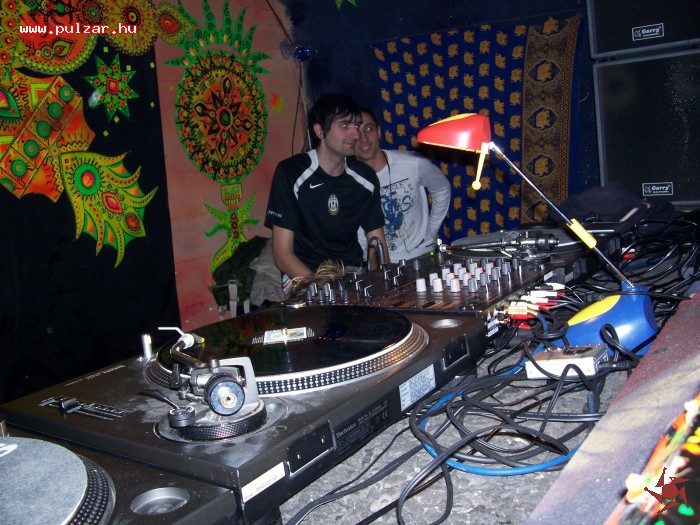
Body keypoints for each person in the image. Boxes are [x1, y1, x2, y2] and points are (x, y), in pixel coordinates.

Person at [264, 94, 389, 280]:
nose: (355, 135)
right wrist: (324, 288)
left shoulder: (366, 177)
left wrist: (380, 281)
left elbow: (376, 243)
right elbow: (282, 255)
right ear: (320, 131)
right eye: (345, 126)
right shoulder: (291, 172)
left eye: (356, 126)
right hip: (304, 276)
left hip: (351, 272)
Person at [354, 108, 452, 261]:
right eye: (356, 133)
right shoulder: (348, 180)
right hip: (381, 263)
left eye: (368, 129)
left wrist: (429, 233)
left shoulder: (412, 163)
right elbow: (357, 228)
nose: (363, 138)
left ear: (378, 132)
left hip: (422, 255)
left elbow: (442, 189)